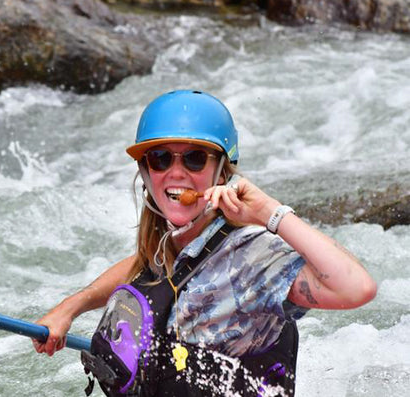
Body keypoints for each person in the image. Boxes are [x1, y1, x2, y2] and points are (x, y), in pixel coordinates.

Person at [33, 90, 377, 396]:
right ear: (146, 172)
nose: (176, 171)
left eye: (195, 158)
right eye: (161, 158)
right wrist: (70, 308)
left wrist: (270, 213)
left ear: (222, 172)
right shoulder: (171, 246)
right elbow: (144, 267)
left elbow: (356, 288)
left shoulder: (251, 257)